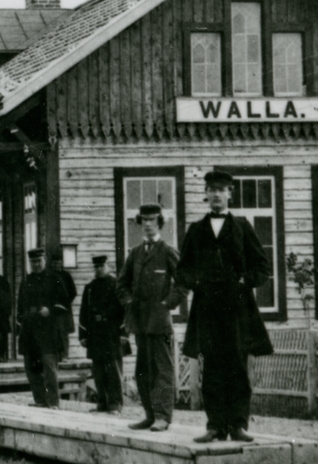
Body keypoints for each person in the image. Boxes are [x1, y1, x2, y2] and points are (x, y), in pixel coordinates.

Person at [178, 171, 274, 442]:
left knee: (238, 365)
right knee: (212, 367)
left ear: (230, 193)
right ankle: (215, 426)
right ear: (206, 194)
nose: (216, 195)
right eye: (212, 190)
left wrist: (244, 280)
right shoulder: (196, 230)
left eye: (221, 190)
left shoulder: (242, 227)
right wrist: (197, 282)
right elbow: (182, 270)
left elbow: (262, 267)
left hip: (237, 309)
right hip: (208, 309)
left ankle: (238, 425)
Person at [117, 203, 186, 432]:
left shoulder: (167, 251)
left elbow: (184, 282)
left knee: (162, 371)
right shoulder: (135, 253)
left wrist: (168, 303)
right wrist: (128, 302)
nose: (148, 224)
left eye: (152, 220)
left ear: (160, 223)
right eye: (144, 220)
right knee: (143, 371)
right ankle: (149, 415)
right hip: (140, 323)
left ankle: (162, 416)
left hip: (159, 323)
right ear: (140, 223)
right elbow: (121, 284)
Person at [17, 247, 72, 408]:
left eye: (38, 261)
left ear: (44, 260)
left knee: (49, 367)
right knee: (31, 367)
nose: (36, 264)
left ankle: (53, 402)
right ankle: (40, 400)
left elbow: (65, 303)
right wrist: (21, 322)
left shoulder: (54, 279)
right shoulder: (26, 281)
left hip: (48, 330)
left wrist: (50, 310)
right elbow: (20, 306)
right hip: (30, 331)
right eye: (33, 262)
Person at [79, 254, 125, 413]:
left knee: (113, 369)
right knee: (98, 370)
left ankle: (115, 403)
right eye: (96, 267)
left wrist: (124, 332)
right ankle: (102, 403)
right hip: (95, 333)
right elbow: (84, 312)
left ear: (108, 266)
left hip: (112, 332)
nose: (99, 269)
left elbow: (124, 311)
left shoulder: (117, 285)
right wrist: (83, 335)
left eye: (101, 266)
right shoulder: (90, 288)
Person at [49, 254, 78, 358]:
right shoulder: (49, 276)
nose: (56, 265)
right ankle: (55, 355)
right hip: (52, 309)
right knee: (53, 331)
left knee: (63, 332)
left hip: (64, 310)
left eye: (58, 263)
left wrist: (66, 303)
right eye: (54, 263)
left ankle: (64, 354)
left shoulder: (66, 276)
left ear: (61, 263)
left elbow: (73, 292)